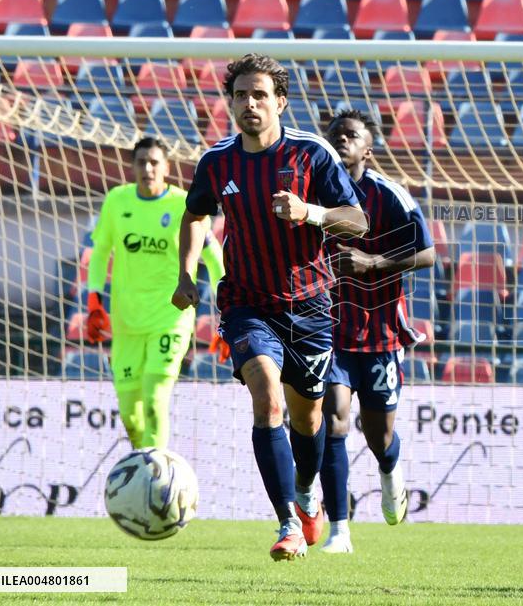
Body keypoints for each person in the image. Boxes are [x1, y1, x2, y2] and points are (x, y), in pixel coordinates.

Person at [171, 53, 367, 562]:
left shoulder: (311, 153)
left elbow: (357, 221)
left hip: (309, 306)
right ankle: (288, 523)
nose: (249, 104)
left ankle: (305, 494)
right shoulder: (217, 161)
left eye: (259, 94)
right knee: (268, 402)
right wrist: (187, 274)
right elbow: (195, 215)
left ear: (280, 101)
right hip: (247, 304)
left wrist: (310, 212)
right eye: (240, 95)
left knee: (308, 419)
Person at [317, 109, 436, 553]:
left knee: (378, 437)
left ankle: (389, 470)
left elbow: (427, 254)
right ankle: (339, 531)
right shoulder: (313, 195)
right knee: (333, 420)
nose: (341, 140)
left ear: (367, 150)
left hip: (381, 332)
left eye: (350, 135)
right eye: (334, 135)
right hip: (328, 329)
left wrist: (373, 262)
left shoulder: (389, 195)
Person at [85, 137, 225, 450]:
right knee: (130, 415)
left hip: (170, 317)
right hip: (127, 322)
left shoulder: (183, 204)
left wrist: (227, 311)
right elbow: (100, 252)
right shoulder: (117, 201)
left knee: (153, 399)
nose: (147, 168)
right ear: (132, 166)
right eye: (141, 162)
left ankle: (155, 468)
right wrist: (94, 299)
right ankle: (144, 465)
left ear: (166, 167)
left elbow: (215, 258)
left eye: (154, 162)